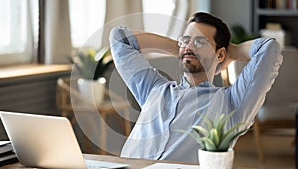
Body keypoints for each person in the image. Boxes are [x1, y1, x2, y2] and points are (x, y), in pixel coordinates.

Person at [109, 12, 282, 163]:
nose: (190, 46)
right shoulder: (154, 88)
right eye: (185, 40)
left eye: (200, 42)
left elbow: (269, 48)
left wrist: (232, 52)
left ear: (221, 53)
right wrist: (181, 49)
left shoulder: (232, 103)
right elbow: (119, 38)